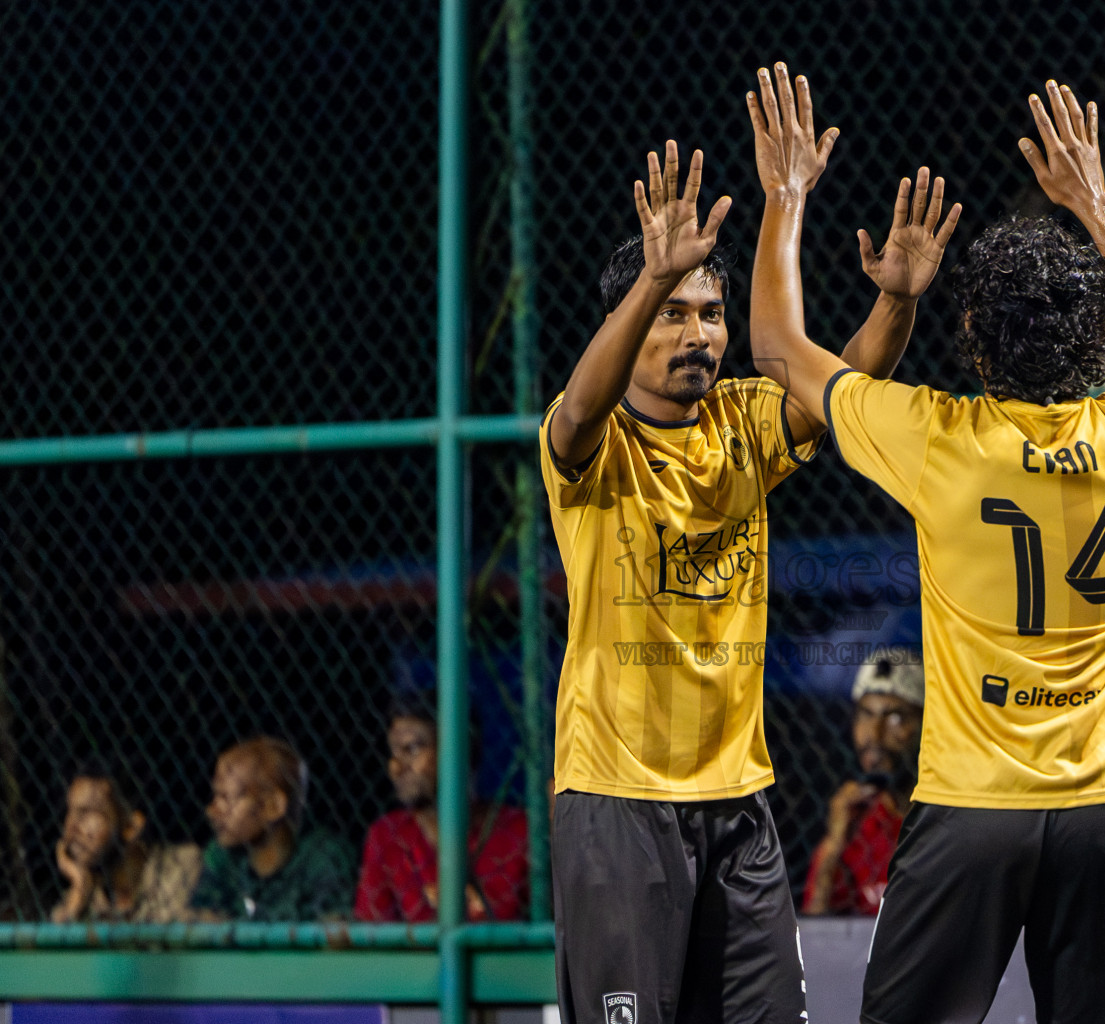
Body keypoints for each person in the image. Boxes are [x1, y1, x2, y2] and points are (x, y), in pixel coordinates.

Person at [749, 65, 1105, 1024]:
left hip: (975, 807)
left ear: (977, 344)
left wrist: (789, 196)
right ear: (1093, 341)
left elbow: (777, 344)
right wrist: (1096, 204)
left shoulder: (939, 438)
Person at [540, 109, 942, 1023]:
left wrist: (896, 301)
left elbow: (844, 387)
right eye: (673, 315)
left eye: (712, 315)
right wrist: (655, 273)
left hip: (738, 800)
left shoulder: (744, 421)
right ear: (626, 325)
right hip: (617, 800)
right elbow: (579, 409)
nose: (701, 336)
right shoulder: (592, 445)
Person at [355, 691, 529, 921]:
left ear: (458, 749)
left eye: (412, 749)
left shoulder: (518, 832)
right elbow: (372, 930)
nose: (396, 767)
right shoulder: (387, 835)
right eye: (393, 752)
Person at [803, 648, 923, 915]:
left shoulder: (941, 819)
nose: (874, 734)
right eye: (866, 715)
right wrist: (834, 844)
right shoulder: (853, 819)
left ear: (926, 726)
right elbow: (815, 926)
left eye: (896, 717)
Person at [190, 736, 353, 921]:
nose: (211, 811)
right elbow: (203, 921)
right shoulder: (222, 855)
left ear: (272, 806)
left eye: (225, 798)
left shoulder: (321, 855)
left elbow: (334, 927)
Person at [51, 759, 201, 923]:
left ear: (131, 827)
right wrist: (78, 893)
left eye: (87, 812)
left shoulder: (179, 865)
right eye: (69, 812)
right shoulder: (83, 889)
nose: (71, 826)